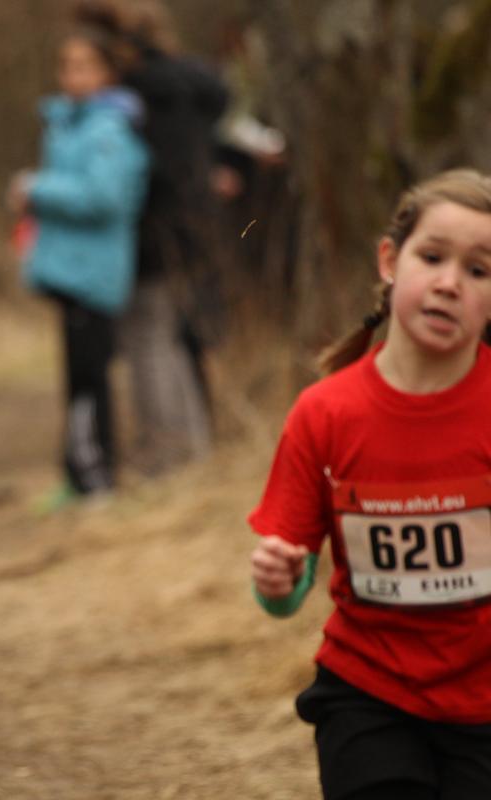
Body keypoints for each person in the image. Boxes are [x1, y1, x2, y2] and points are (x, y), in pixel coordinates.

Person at [249, 169, 491, 800]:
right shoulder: (325, 413)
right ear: (390, 261)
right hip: (368, 693)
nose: (449, 283)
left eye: (478, 270)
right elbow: (289, 582)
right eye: (432, 257)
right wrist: (278, 581)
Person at [78, 0, 227, 476]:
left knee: (149, 341)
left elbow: (151, 174)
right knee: (172, 339)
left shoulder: (136, 98)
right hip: (194, 232)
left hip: (152, 237)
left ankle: (166, 455)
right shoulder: (193, 84)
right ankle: (192, 448)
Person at [7, 22, 149, 508]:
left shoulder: (109, 129)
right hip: (69, 272)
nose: (73, 76)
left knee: (90, 381)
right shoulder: (69, 123)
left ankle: (95, 478)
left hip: (93, 275)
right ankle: (78, 473)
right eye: (67, 66)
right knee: (77, 378)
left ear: (109, 73)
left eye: (85, 66)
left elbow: (104, 196)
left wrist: (36, 190)